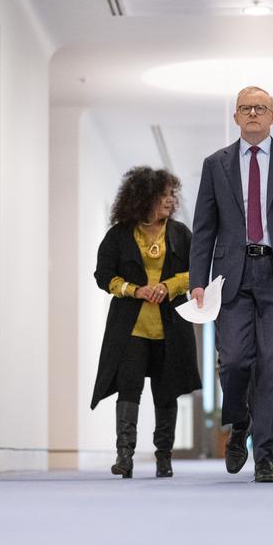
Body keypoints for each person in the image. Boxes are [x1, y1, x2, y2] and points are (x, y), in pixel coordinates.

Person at [189, 86, 273, 483]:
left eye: (260, 108)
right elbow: (204, 228)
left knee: (272, 364)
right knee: (233, 361)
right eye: (245, 108)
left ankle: (266, 455)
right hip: (231, 274)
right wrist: (198, 280)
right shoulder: (215, 164)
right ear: (235, 117)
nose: (253, 113)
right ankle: (239, 421)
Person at [92, 166, 201, 479]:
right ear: (142, 199)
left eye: (171, 194)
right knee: (129, 388)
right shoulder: (119, 235)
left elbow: (198, 271)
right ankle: (124, 455)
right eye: (162, 195)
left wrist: (169, 286)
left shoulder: (181, 233)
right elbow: (103, 276)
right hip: (131, 327)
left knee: (166, 392)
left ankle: (164, 456)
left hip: (170, 325)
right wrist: (134, 289)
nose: (169, 201)